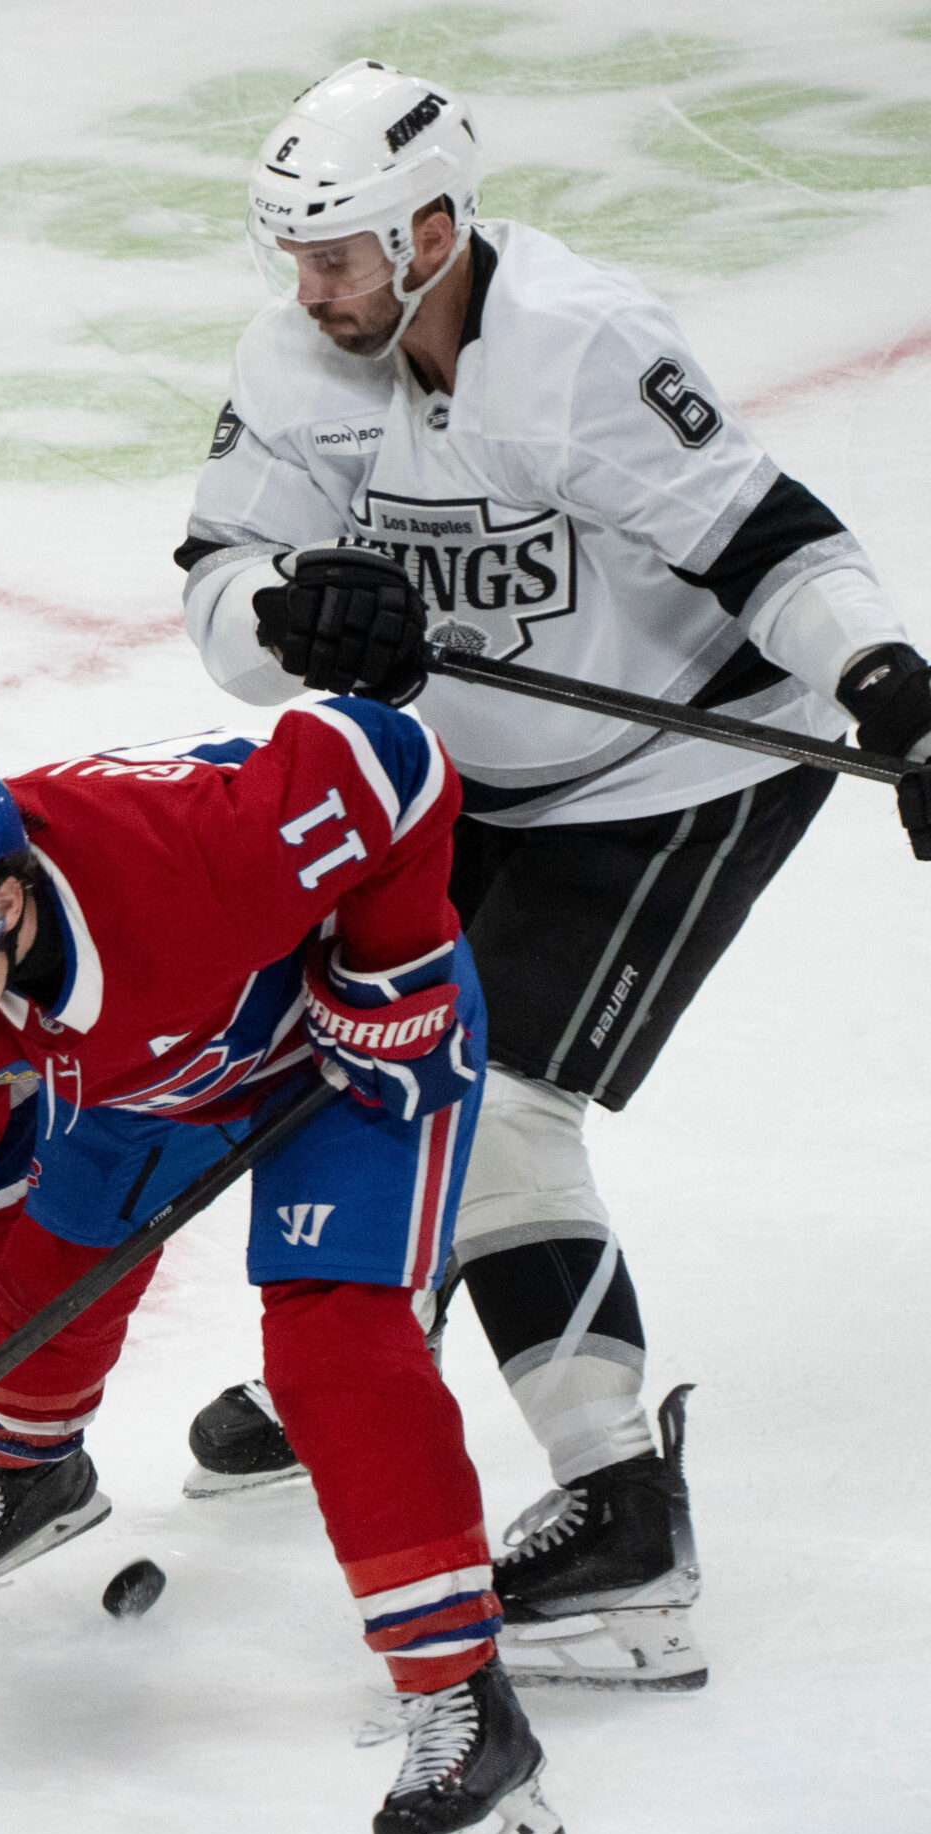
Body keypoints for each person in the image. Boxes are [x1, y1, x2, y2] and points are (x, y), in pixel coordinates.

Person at [172, 59, 931, 1688]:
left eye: (343, 252)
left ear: (435, 229)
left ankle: (619, 1505)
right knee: (361, 1058)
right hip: (485, 778)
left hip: (692, 761)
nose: (311, 287)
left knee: (501, 1102)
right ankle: (380, 1366)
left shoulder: (581, 345)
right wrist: (295, 610)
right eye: (295, 254)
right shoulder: (296, 358)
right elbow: (222, 585)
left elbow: (771, 543)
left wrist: (889, 683)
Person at [0, 709, 565, 1834]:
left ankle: (465, 1704)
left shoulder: (184, 852)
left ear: (5, 902)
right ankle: (27, 1472)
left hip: (341, 1059)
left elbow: (390, 761)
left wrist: (395, 961)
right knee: (48, 1253)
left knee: (334, 1353)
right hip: (144, 1078)